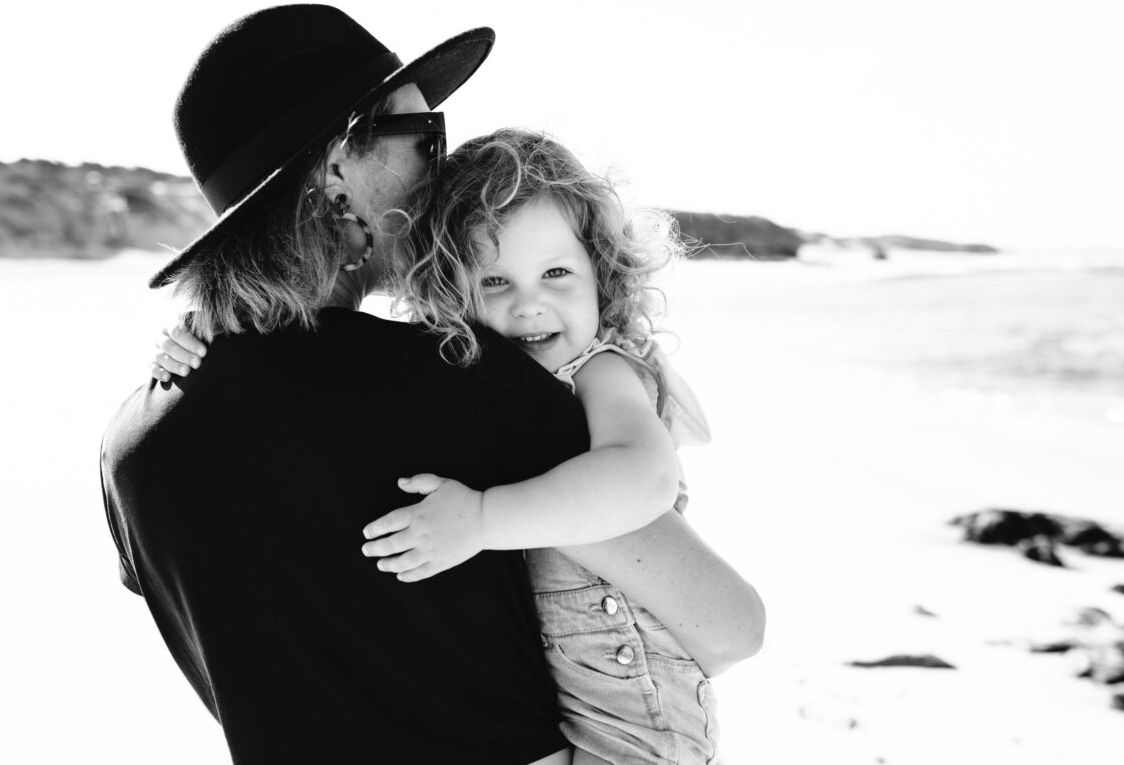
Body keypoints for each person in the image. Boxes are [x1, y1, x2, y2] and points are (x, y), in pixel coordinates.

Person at [153, 129, 766, 764]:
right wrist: (207, 327)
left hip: (638, 709)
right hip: (581, 697)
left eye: (557, 273)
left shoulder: (599, 370)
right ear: (452, 290)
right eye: (494, 281)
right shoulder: (459, 374)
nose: (530, 304)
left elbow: (645, 479)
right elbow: (730, 628)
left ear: (601, 274)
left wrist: (483, 519)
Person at [102, 5, 595, 765]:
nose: (445, 162)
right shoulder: (469, 383)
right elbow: (725, 626)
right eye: (424, 138)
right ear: (338, 170)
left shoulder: (129, 445)